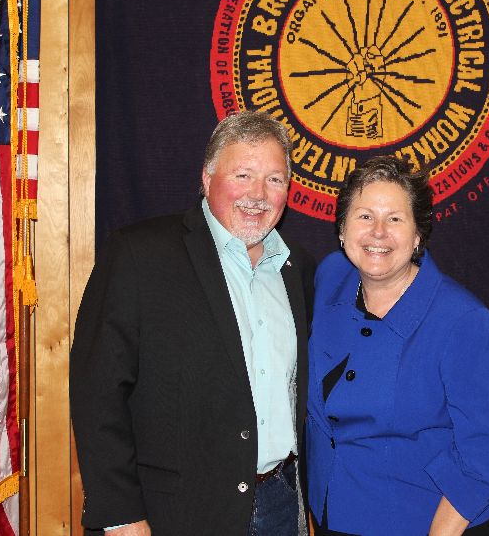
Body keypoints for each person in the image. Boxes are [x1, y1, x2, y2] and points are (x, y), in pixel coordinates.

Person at [70, 110, 315, 536]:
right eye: (243, 175)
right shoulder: (139, 255)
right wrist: (120, 514)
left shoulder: (298, 269)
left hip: (280, 503)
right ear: (207, 177)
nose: (258, 194)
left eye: (274, 179)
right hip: (176, 513)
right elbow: (98, 391)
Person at [306, 157, 489, 535]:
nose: (378, 232)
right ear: (342, 229)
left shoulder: (464, 322)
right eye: (365, 216)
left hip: (429, 520)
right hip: (334, 511)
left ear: (418, 235)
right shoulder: (331, 279)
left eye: (395, 219)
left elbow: (483, 451)